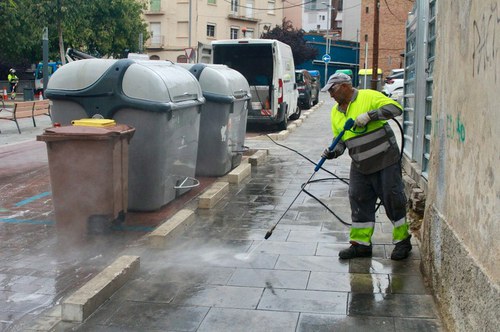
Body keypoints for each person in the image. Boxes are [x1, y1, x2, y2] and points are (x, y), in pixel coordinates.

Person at [320, 72, 412, 260]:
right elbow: (341, 140)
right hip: (361, 164)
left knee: (393, 199)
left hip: (385, 160)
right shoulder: (335, 112)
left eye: (333, 90)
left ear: (345, 86)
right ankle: (361, 245)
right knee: (358, 200)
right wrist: (333, 151)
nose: (331, 95)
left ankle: (403, 241)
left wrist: (370, 116)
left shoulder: (368, 96)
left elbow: (396, 108)